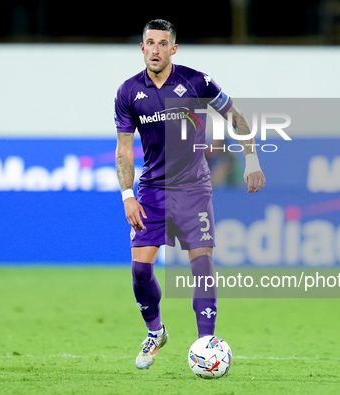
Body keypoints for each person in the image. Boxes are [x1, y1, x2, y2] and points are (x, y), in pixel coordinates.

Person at [114, 19, 266, 370]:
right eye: (149, 43)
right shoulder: (127, 92)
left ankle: (206, 343)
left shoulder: (197, 82)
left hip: (194, 188)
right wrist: (127, 194)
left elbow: (235, 116)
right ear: (142, 47)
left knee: (202, 265)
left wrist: (252, 158)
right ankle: (156, 332)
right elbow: (123, 150)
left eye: (162, 43)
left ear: (173, 49)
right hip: (151, 191)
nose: (155, 49)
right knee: (139, 271)